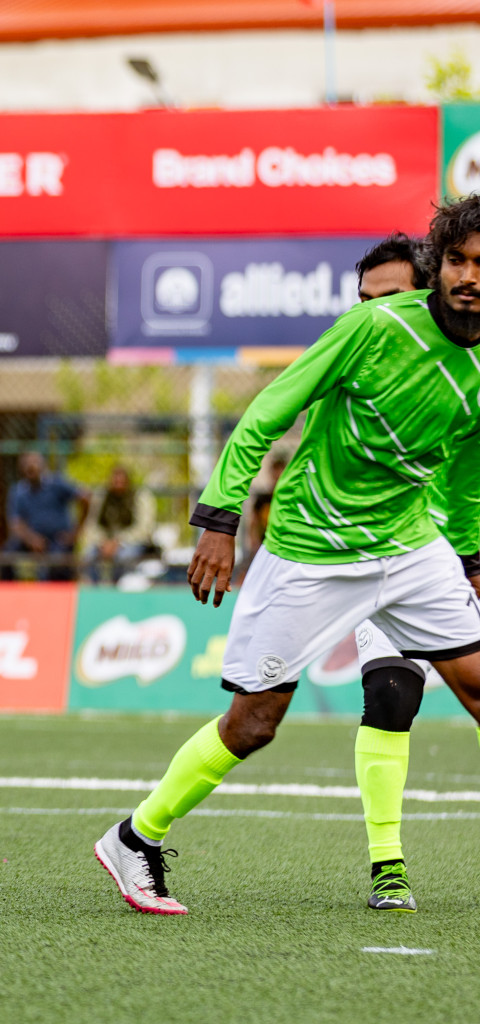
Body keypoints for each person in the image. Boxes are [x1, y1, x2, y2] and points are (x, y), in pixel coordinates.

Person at [94, 198, 480, 916]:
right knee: (254, 724)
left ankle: (386, 867)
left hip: (407, 543)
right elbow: (268, 410)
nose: (468, 277)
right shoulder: (371, 328)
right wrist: (217, 517)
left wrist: (471, 557)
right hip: (312, 549)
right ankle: (135, 836)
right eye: (458, 260)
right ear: (440, 265)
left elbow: (466, 472)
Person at [337, 232, 442, 913]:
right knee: (391, 700)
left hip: (469, 555)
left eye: (394, 298)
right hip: (398, 560)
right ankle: (388, 866)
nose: (377, 315)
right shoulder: (351, 371)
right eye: (365, 302)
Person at [0, 452, 88, 581]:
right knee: (5, 558)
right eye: (27, 466)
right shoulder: (19, 491)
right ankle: (9, 596)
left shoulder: (57, 484)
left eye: (34, 465)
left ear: (42, 466)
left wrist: (76, 532)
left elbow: (85, 498)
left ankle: (55, 597)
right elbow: (16, 523)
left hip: (57, 539)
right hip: (32, 539)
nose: (31, 468)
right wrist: (32, 539)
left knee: (57, 564)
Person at [83, 465, 155, 584]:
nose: (118, 485)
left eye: (121, 481)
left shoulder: (139, 497)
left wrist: (118, 542)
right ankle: (95, 590)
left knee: (124, 557)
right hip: (104, 542)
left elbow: (143, 528)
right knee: (88, 555)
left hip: (131, 543)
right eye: (115, 481)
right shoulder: (102, 497)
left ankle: (118, 589)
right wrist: (102, 542)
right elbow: (92, 524)